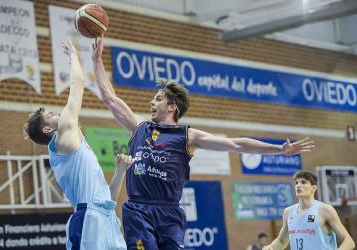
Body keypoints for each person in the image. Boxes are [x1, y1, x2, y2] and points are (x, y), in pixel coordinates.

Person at [92, 35, 315, 250]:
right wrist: (97, 60)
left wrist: (279, 149)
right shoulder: (139, 128)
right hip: (138, 208)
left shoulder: (187, 135)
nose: (152, 102)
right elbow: (110, 98)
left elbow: (236, 144)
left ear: (172, 107)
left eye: (158, 98)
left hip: (169, 211)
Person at [24, 40, 132, 250]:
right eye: (50, 115)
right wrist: (74, 55)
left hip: (106, 218)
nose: (57, 113)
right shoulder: (63, 137)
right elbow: (77, 88)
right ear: (48, 130)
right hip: (87, 220)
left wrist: (120, 172)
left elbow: (106, 201)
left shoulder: (75, 146)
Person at [263, 170, 355, 250]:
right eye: (297, 183)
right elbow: (282, 241)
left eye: (303, 182)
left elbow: (349, 242)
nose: (298, 186)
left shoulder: (325, 210)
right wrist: (271, 247)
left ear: (313, 188)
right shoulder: (288, 212)